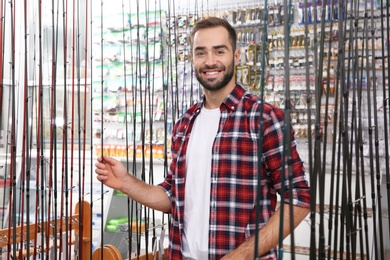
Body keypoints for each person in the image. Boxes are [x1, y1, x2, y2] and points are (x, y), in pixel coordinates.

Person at [95, 17, 310, 259]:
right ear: (193, 59)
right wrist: (125, 182)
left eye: (219, 51)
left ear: (236, 56)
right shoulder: (184, 124)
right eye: (201, 53)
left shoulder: (264, 118)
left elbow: (299, 199)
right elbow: (172, 197)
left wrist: (242, 255)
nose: (210, 61)